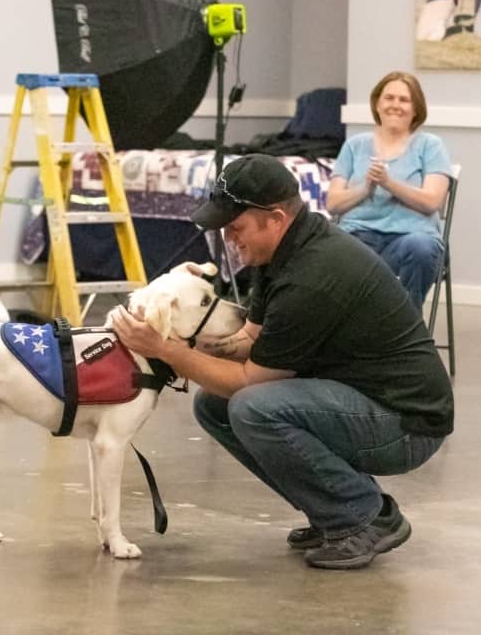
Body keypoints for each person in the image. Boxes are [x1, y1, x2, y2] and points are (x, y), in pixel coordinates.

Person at [110, 154, 453, 570]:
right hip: (361, 399)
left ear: (274, 218)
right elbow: (249, 341)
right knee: (213, 406)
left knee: (252, 407)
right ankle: (332, 510)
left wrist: (168, 351)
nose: (230, 239)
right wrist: (180, 328)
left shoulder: (312, 276)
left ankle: (363, 516)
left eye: (236, 228)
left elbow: (246, 379)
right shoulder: (281, 253)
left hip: (406, 423)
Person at [327, 71, 451, 312]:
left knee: (422, 248)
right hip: (359, 236)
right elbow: (333, 203)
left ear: (416, 109)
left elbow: (432, 201)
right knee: (334, 249)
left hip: (410, 238)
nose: (395, 105)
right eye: (389, 98)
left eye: (404, 100)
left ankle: (404, 329)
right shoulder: (355, 145)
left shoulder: (430, 145)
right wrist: (366, 187)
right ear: (377, 103)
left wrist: (388, 182)